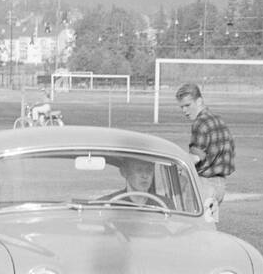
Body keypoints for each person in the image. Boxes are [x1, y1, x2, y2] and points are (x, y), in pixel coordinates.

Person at [176, 82, 235, 218]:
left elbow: (196, 157)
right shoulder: (219, 120)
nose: (184, 111)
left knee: (194, 229)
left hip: (204, 185)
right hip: (220, 186)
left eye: (187, 105)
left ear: (199, 101)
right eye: (182, 107)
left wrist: (179, 164)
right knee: (209, 230)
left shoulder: (200, 123)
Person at [100, 157, 168, 207]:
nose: (145, 176)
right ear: (124, 172)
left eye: (149, 170)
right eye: (139, 170)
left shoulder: (165, 205)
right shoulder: (108, 203)